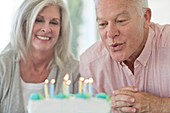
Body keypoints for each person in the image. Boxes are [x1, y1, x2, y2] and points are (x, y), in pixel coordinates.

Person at [79, 0, 170, 112]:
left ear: (146, 18)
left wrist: (160, 105)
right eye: (103, 24)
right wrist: (104, 108)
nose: (111, 33)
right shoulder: (90, 65)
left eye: (121, 21)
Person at [0, 0, 80, 113]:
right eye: (38, 20)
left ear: (61, 29)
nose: (46, 29)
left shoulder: (75, 71)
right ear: (23, 24)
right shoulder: (3, 67)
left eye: (54, 22)